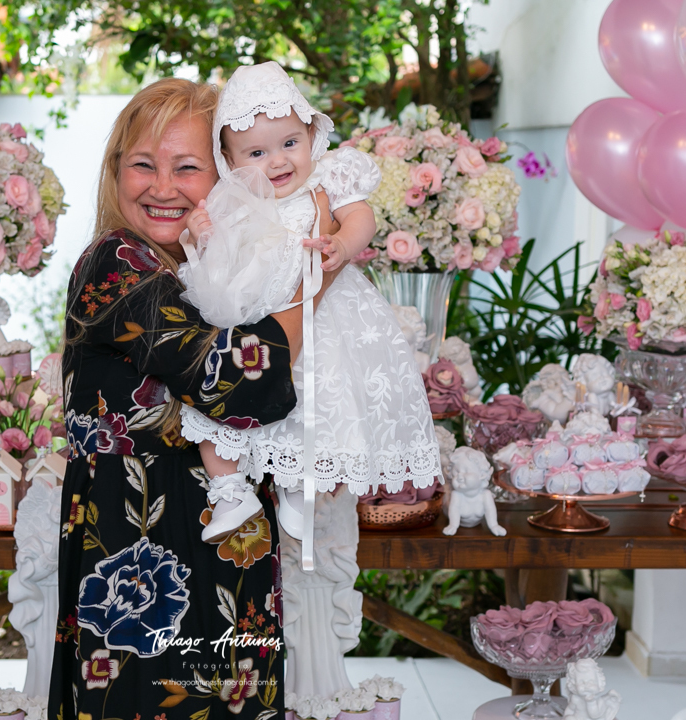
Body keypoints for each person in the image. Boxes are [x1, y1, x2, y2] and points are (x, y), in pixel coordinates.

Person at [49, 78, 342, 720]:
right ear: (115, 172)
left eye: (188, 168)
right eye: (143, 165)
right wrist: (318, 278)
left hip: (224, 561)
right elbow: (243, 381)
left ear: (229, 177)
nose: (162, 187)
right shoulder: (115, 263)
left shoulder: (205, 269)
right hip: (139, 578)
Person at [177, 63, 441, 550]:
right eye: (257, 152)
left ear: (311, 134)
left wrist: (343, 243)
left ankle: (301, 485)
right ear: (230, 162)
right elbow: (207, 238)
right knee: (222, 398)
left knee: (318, 396)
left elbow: (362, 216)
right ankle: (231, 490)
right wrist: (202, 232)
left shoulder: (328, 177)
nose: (278, 161)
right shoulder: (232, 197)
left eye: (289, 143)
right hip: (253, 312)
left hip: (327, 311)